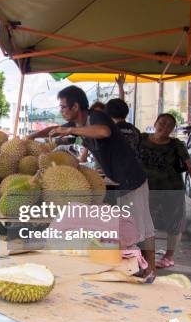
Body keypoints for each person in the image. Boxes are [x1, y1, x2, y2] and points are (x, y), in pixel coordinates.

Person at [27, 85, 156, 279]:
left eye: (63, 107)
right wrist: (32, 136)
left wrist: (71, 129)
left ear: (76, 106)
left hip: (133, 178)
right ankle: (133, 266)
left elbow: (104, 132)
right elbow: (54, 130)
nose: (61, 111)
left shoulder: (96, 116)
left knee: (143, 226)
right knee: (125, 226)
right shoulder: (80, 127)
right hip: (119, 180)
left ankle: (151, 269)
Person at [139, 113, 191, 269]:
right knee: (145, 222)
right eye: (162, 123)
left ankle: (169, 256)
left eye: (169, 126)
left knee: (174, 224)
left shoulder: (176, 145)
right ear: (155, 122)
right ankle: (145, 254)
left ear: (173, 129)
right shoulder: (141, 139)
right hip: (146, 190)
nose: (164, 127)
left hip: (171, 189)